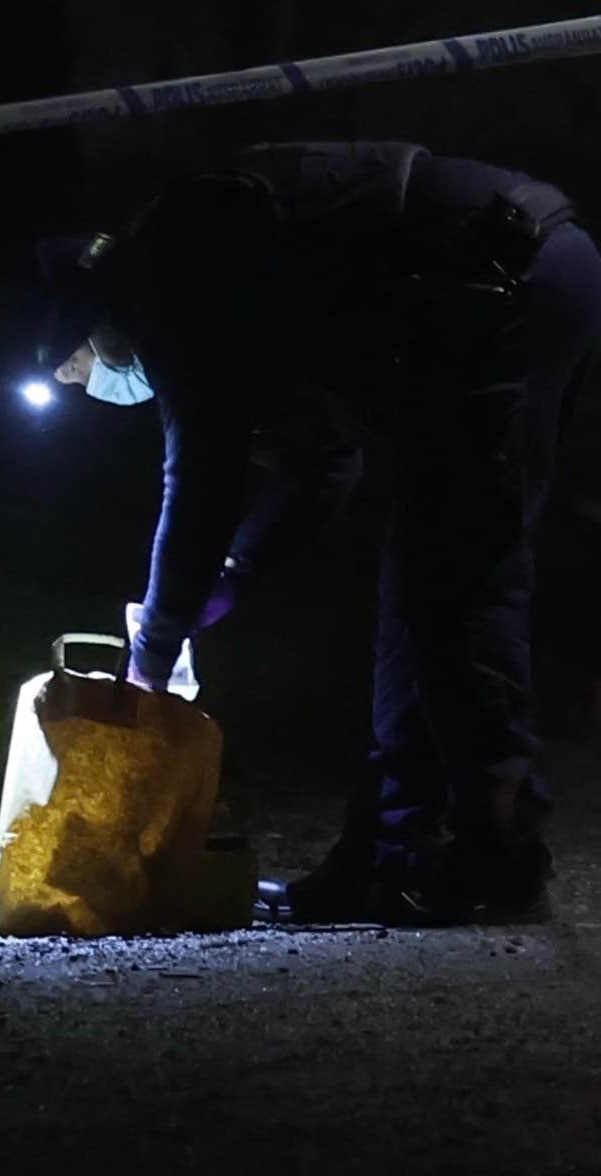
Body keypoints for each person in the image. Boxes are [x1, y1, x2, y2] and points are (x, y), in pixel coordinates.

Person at [37, 142, 601, 926]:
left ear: (98, 321)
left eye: (74, 371)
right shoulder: (215, 286)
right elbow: (324, 463)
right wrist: (234, 573)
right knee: (416, 594)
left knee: (461, 580)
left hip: (506, 284)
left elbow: (200, 476)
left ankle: (497, 856)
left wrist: (153, 653)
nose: (89, 390)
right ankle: (384, 859)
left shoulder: (176, 277)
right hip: (480, 302)